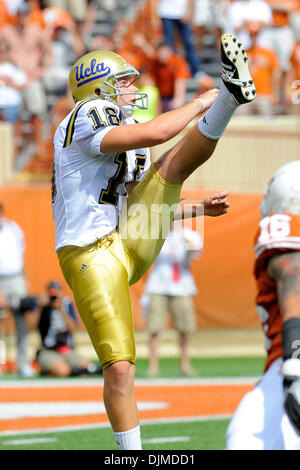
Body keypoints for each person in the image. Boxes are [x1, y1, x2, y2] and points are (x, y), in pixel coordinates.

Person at [52, 33, 256, 450]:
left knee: (170, 169)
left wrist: (195, 209)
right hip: (89, 254)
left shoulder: (120, 126)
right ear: (98, 87)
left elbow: (134, 205)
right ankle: (133, 456)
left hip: (123, 239)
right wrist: (199, 102)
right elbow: (158, 131)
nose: (131, 90)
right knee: (121, 369)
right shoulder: (88, 113)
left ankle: (230, 100)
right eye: (122, 82)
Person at [226, 160, 300, 450]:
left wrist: (295, 359)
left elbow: (291, 271)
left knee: (245, 440)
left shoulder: (284, 225)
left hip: (291, 361)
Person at [144, 223, 203, 377]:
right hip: (158, 285)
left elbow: (195, 251)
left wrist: (179, 234)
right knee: (154, 328)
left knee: (185, 328)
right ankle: (153, 366)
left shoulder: (189, 234)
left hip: (181, 286)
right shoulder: (156, 234)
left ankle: (185, 364)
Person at [34, 280, 102, 377]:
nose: (55, 296)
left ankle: (74, 369)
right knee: (62, 371)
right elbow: (31, 327)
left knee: (88, 368)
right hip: (49, 351)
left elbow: (73, 329)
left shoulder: (67, 304)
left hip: (68, 350)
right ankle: (63, 369)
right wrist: (39, 308)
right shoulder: (44, 307)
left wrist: (61, 310)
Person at [0, 203, 35, 377]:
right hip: (0, 280)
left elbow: (21, 256)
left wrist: (25, 280)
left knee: (21, 321)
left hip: (16, 279)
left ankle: (23, 364)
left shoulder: (13, 229)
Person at [151, 0, 200, 76]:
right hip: (166, 12)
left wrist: (188, 10)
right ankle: (172, 71)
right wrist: (154, 16)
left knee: (188, 42)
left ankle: (195, 71)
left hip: (182, 12)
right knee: (169, 44)